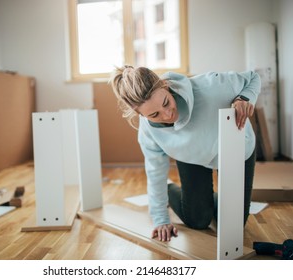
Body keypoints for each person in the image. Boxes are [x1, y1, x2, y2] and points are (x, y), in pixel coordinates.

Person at [110, 65, 261, 242]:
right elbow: (155, 171)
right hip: (191, 155)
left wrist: (244, 98)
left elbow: (253, 78)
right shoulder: (147, 131)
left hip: (235, 148)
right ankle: (170, 188)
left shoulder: (212, 86)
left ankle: (210, 200)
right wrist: (161, 219)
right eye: (154, 114)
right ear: (139, 115)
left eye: (166, 102)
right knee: (198, 220)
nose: (167, 115)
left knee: (231, 223)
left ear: (165, 85)